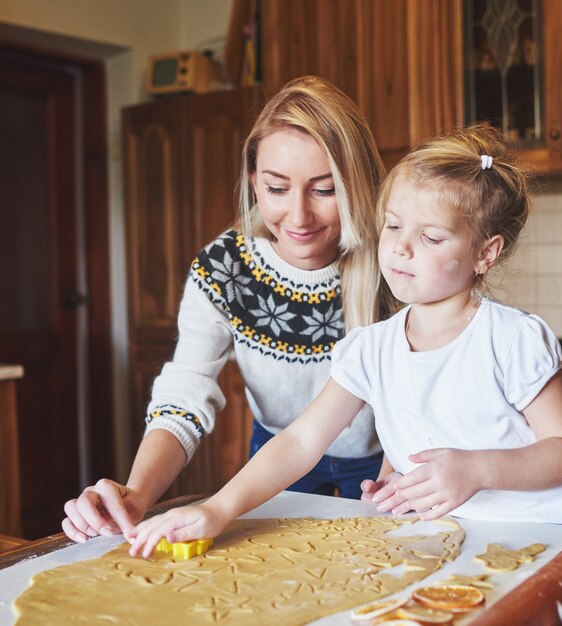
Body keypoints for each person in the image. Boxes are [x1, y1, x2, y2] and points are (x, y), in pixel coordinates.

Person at [126, 125, 562, 558]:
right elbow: (300, 440)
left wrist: (476, 470)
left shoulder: (510, 338)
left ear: (485, 253)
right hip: (455, 540)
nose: (400, 246)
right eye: (394, 226)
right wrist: (218, 508)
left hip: (551, 538)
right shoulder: (371, 348)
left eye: (432, 237)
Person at [62, 76, 397, 544]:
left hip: (384, 457)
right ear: (252, 179)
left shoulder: (396, 260)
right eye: (277, 189)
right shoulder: (225, 270)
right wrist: (137, 493)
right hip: (275, 458)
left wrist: (394, 473)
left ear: (357, 183)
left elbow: (423, 381)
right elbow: (186, 389)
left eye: (324, 190)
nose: (298, 218)